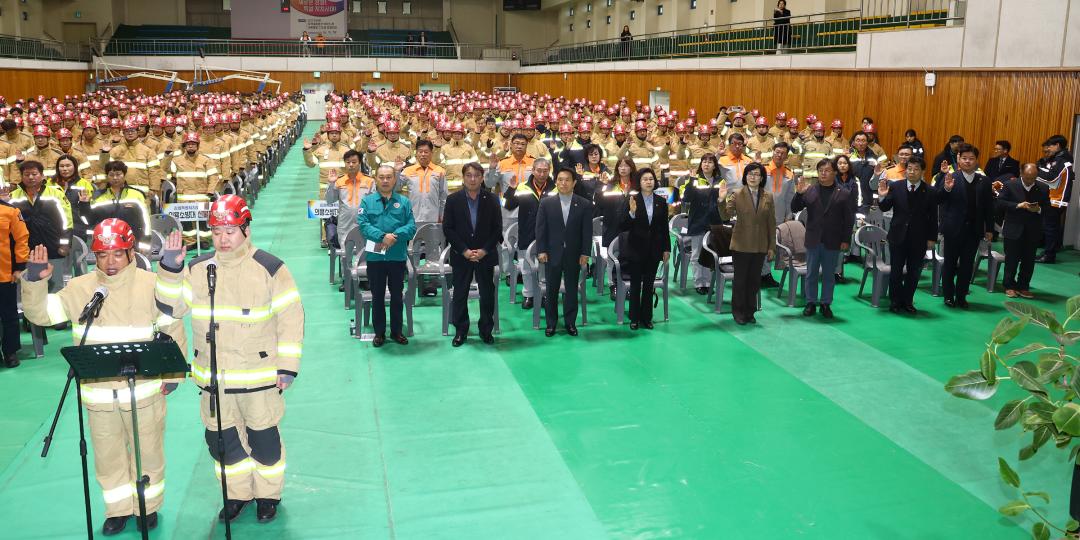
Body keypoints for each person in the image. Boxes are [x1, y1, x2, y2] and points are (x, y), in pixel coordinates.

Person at [23, 218, 186, 535]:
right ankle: (118, 510)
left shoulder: (150, 284)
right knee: (107, 456)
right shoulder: (81, 289)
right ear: (93, 255)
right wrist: (33, 281)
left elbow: (171, 324)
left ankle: (146, 507)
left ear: (130, 252)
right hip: (99, 395)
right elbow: (42, 314)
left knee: (148, 453)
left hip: (143, 392)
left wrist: (172, 374)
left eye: (117, 253)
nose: (110, 262)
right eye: (102, 254)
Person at [157, 195, 303, 524]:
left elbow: (291, 318)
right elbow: (171, 308)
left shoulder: (270, 268)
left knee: (264, 441)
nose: (223, 239)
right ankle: (237, 494)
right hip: (214, 381)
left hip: (258, 378)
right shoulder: (197, 268)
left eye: (230, 231)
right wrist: (170, 269)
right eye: (216, 232)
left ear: (246, 229)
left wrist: (288, 366)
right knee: (223, 442)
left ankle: (268, 495)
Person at [442, 162, 502, 346]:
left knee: (487, 294)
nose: (473, 179)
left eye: (476, 175)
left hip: (485, 255)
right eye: (469, 175)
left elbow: (497, 229)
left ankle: (486, 330)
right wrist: (464, 250)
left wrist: (484, 250)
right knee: (460, 294)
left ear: (482, 178)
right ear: (463, 177)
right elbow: (448, 228)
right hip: (462, 255)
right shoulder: (453, 200)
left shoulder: (492, 199)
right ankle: (461, 330)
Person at [358, 164, 417, 347]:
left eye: (389, 177)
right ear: (376, 179)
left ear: (394, 179)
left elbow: (411, 226)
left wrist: (395, 236)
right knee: (377, 296)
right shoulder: (367, 202)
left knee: (397, 295)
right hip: (375, 256)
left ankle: (397, 331)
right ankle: (379, 333)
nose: (385, 181)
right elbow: (363, 225)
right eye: (381, 177)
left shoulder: (404, 202)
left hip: (397, 256)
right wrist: (382, 236)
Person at [792, 159, 855, 318]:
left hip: (833, 240)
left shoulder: (844, 193)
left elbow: (849, 220)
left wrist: (845, 240)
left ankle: (826, 303)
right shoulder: (810, 190)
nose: (823, 173)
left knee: (829, 275)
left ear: (834, 173)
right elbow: (795, 208)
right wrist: (799, 194)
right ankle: (810, 302)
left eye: (827, 170)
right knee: (811, 273)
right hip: (813, 239)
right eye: (820, 171)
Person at [934, 143, 994, 308]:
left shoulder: (984, 180)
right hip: (952, 229)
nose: (968, 161)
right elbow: (938, 199)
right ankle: (948, 296)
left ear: (977, 160)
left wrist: (989, 229)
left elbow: (989, 207)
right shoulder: (951, 177)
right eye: (964, 158)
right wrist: (946, 188)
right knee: (950, 264)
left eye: (971, 158)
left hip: (973, 230)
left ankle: (961, 296)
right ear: (958, 159)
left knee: (967, 265)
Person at [535, 168, 592, 337]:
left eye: (567, 180)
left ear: (574, 183)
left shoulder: (584, 204)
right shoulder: (546, 203)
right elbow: (540, 229)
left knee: (571, 289)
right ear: (556, 182)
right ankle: (551, 323)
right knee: (551, 289)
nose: (563, 183)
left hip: (574, 254)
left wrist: (585, 252)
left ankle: (570, 322)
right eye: (560, 180)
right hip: (552, 253)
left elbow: (587, 231)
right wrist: (541, 250)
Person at [877, 156, 937, 313]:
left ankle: (908, 301)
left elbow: (933, 217)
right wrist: (882, 196)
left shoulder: (930, 191)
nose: (912, 172)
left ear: (922, 172)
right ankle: (895, 301)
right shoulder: (896, 186)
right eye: (909, 168)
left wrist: (932, 238)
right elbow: (884, 207)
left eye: (916, 169)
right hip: (897, 236)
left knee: (914, 272)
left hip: (919, 238)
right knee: (896, 271)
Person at [717, 163, 775, 325]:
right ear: (745, 176)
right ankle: (738, 312)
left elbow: (771, 223)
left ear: (762, 178)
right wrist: (721, 200)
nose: (753, 177)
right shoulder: (737, 194)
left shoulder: (768, 196)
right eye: (750, 174)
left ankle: (750, 311)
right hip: (741, 245)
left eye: (756, 174)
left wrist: (772, 246)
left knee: (754, 281)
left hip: (760, 245)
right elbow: (725, 215)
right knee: (740, 281)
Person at [9, 160, 72, 293]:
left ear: (42, 175)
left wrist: (65, 243)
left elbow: (66, 220)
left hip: (53, 248)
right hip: (26, 251)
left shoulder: (55, 194)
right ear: (22, 176)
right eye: (27, 174)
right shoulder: (13, 197)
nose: (31, 177)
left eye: (34, 174)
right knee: (30, 289)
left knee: (55, 288)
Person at [619, 168, 670, 330]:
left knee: (649, 285)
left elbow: (664, 228)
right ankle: (634, 318)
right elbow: (623, 225)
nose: (648, 182)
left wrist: (666, 248)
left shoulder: (661, 201)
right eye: (645, 179)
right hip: (636, 248)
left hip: (654, 249)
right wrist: (632, 213)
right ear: (639, 182)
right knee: (635, 285)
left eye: (651, 179)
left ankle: (647, 317)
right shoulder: (632, 199)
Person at [502, 158, 554, 310]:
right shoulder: (522, 187)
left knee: (546, 267)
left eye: (545, 171)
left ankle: (545, 295)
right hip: (526, 232)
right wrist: (511, 190)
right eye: (539, 170)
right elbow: (508, 206)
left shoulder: (556, 188)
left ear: (549, 171)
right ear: (533, 170)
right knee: (525, 267)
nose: (542, 174)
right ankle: (528, 295)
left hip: (549, 234)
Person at [997, 163, 1050, 298]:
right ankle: (1009, 285)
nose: (1030, 180)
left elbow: (1047, 208)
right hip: (1013, 229)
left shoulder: (1043, 188)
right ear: (1021, 173)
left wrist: (1038, 209)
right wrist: (1018, 205)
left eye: (1033, 178)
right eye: (1027, 177)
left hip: (1033, 230)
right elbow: (1000, 203)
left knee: (1029, 261)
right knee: (1011, 260)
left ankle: (1023, 286)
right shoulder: (1010, 185)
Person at [91, 161, 151, 252]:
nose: (115, 178)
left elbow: (145, 220)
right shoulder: (98, 197)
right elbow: (91, 220)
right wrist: (84, 204)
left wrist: (145, 241)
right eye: (111, 175)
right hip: (106, 243)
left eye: (118, 174)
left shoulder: (137, 194)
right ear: (107, 176)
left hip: (132, 242)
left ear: (124, 175)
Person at [324, 150, 373, 258]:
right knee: (345, 255)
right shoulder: (339, 181)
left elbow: (374, 204)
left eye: (354, 162)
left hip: (364, 223)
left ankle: (365, 268)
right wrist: (331, 183)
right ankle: (347, 269)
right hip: (345, 224)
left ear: (359, 163)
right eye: (348, 162)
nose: (351, 165)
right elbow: (330, 200)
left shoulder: (369, 181)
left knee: (365, 254)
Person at [0, 188, 28, 368]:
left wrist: (19, 268)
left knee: (9, 316)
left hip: (5, 274)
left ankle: (10, 352)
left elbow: (21, 239)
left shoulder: (10, 211)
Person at [1035, 134, 1073, 264]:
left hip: (1056, 198)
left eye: (1050, 146)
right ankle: (1048, 252)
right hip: (1053, 197)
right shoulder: (1059, 158)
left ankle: (1049, 255)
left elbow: (1052, 178)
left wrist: (1036, 170)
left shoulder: (1062, 160)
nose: (1048, 149)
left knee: (1050, 228)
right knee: (1050, 227)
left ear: (1057, 145)